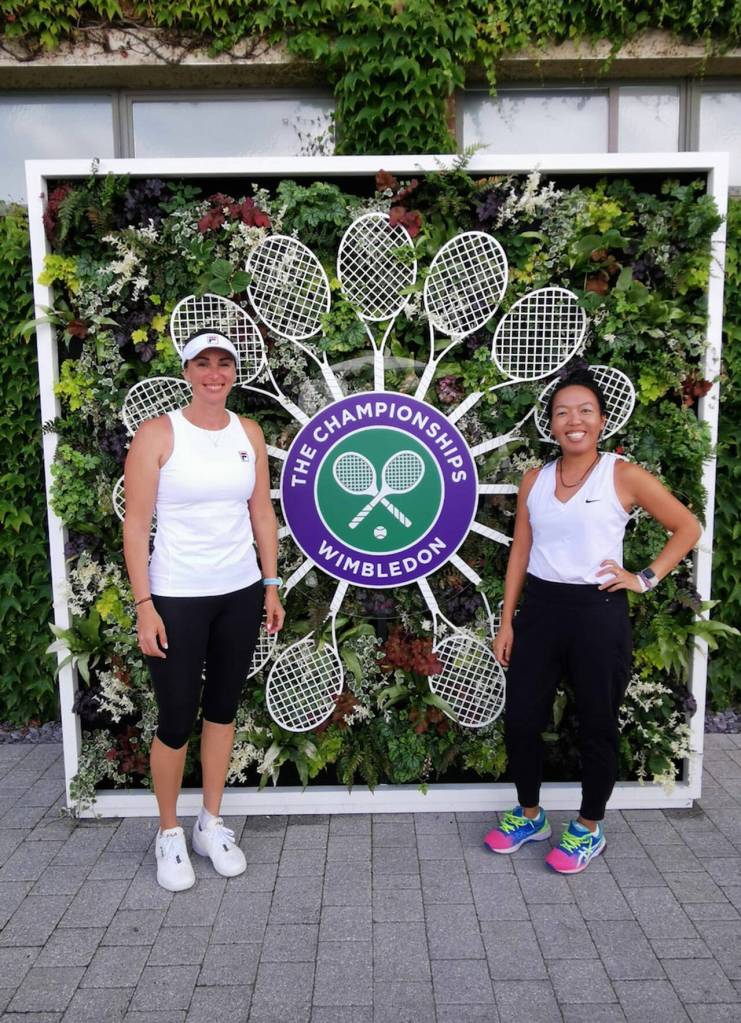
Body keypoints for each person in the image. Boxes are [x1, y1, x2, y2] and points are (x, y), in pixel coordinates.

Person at [486, 367, 701, 874]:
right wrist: (507, 622)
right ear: (552, 425)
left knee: (597, 723)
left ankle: (588, 827)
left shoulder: (622, 475)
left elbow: (687, 527)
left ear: (602, 421)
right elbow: (521, 552)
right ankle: (531, 816)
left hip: (597, 613)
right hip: (540, 611)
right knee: (522, 719)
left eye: (585, 411)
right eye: (562, 413)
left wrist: (643, 578)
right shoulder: (535, 480)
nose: (574, 421)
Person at [124, 329, 284, 892]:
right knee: (175, 717)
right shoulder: (157, 434)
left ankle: (209, 824)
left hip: (239, 592)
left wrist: (270, 585)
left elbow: (261, 512)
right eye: (203, 363)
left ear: (234, 371)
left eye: (224, 363)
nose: (214, 373)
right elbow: (135, 525)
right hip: (176, 596)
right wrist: (144, 605)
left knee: (222, 709)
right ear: (187, 371)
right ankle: (169, 832)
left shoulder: (249, 432)